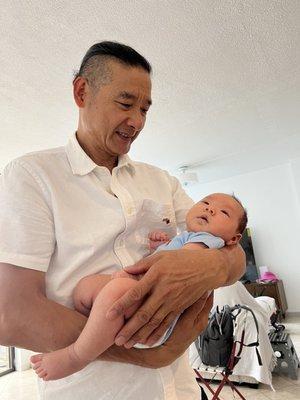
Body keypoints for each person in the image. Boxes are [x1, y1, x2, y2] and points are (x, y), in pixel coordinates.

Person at [0, 41, 245, 400]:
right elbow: (12, 315)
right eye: (126, 104)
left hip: (177, 387)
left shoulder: (162, 181)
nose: (137, 121)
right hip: (92, 389)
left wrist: (205, 266)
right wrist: (147, 354)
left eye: (145, 109)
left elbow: (234, 252)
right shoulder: (33, 176)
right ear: (82, 91)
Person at [30, 192, 247, 381]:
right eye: (205, 202)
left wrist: (161, 253)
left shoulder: (207, 242)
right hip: (145, 297)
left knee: (115, 293)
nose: (209, 209)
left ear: (234, 238)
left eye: (223, 212)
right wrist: (162, 246)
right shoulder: (188, 238)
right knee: (88, 287)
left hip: (157, 313)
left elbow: (182, 265)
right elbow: (171, 259)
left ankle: (76, 356)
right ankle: (100, 326)